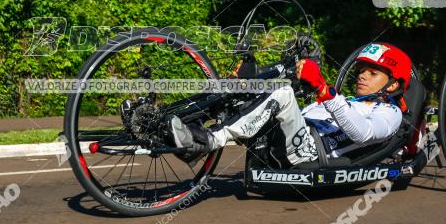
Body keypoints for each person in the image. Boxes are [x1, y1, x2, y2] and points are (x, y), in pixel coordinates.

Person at [168, 43, 412, 164]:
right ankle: (182, 124)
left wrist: (322, 89)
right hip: (290, 137)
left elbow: (362, 134)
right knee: (245, 87)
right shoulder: (351, 100)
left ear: (391, 85)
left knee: (282, 93)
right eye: (362, 71)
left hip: (310, 151)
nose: (362, 76)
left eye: (373, 73)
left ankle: (207, 142)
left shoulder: (390, 113)